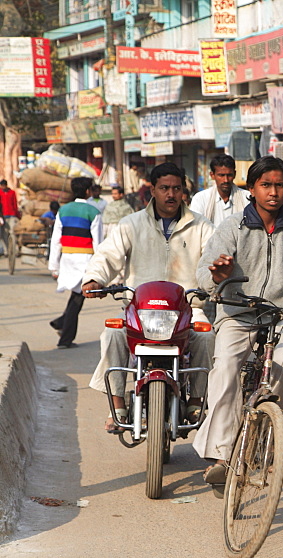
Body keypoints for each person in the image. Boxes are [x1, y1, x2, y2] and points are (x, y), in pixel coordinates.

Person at [194, 156, 283, 485]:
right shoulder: (232, 227)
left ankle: (266, 427)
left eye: (280, 185)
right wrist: (219, 274)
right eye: (265, 185)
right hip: (237, 311)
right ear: (252, 189)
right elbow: (204, 271)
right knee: (226, 369)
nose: (273, 192)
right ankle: (220, 453)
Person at [81, 162, 216, 433]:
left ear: (184, 192)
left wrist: (216, 282)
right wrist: (95, 278)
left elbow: (213, 262)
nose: (171, 194)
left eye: (176, 188)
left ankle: (197, 400)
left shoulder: (202, 226)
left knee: (206, 336)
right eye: (164, 188)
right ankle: (117, 404)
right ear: (152, 190)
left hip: (187, 308)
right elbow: (108, 255)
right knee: (112, 334)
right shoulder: (131, 224)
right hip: (138, 309)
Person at [48, 177, 103, 349]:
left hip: (67, 258)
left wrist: (54, 266)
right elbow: (98, 243)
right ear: (88, 191)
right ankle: (65, 339)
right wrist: (99, 267)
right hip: (85, 259)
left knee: (76, 296)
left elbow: (56, 240)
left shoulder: (63, 211)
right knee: (78, 298)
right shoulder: (93, 211)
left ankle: (60, 323)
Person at [189, 154, 251, 228]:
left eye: (229, 175)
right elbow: (196, 228)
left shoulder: (247, 197)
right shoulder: (200, 199)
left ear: (234, 174)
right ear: (212, 175)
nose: (226, 180)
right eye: (221, 175)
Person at [0, 178, 18, 255]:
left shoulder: (12, 193)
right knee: (4, 233)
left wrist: (16, 213)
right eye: (2, 186)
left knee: (12, 232)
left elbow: (15, 203)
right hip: (3, 215)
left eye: (4, 185)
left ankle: (14, 249)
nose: (3, 187)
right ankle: (6, 250)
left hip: (11, 215)